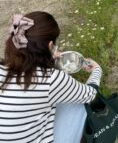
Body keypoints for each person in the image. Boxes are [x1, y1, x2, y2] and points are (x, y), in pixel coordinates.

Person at [0, 11, 102, 143]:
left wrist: (49, 57)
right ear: (50, 45)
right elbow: (90, 95)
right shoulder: (51, 79)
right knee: (80, 105)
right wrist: (97, 70)